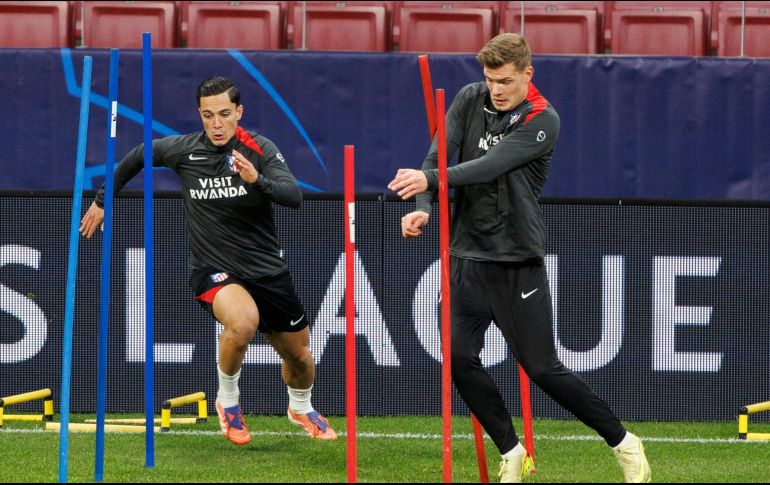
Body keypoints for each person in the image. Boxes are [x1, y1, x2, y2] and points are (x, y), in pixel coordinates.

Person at [388, 34, 651, 483]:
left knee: (542, 369)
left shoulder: (542, 119)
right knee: (458, 358)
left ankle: (623, 442)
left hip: (516, 262)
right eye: (491, 79)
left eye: (506, 80)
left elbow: (488, 167)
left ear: (528, 74)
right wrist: (423, 207)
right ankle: (512, 451)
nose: (497, 89)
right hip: (467, 258)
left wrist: (429, 181)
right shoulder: (470, 99)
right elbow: (439, 153)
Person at [80, 76, 337, 445]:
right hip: (213, 269)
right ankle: (228, 402)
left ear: (239, 112)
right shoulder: (183, 150)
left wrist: (256, 179)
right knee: (243, 323)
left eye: (224, 114)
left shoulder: (259, 148)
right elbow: (137, 156)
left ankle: (300, 406)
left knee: (300, 358)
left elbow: (293, 196)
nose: (216, 124)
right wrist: (104, 200)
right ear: (199, 115)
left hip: (266, 271)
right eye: (207, 115)